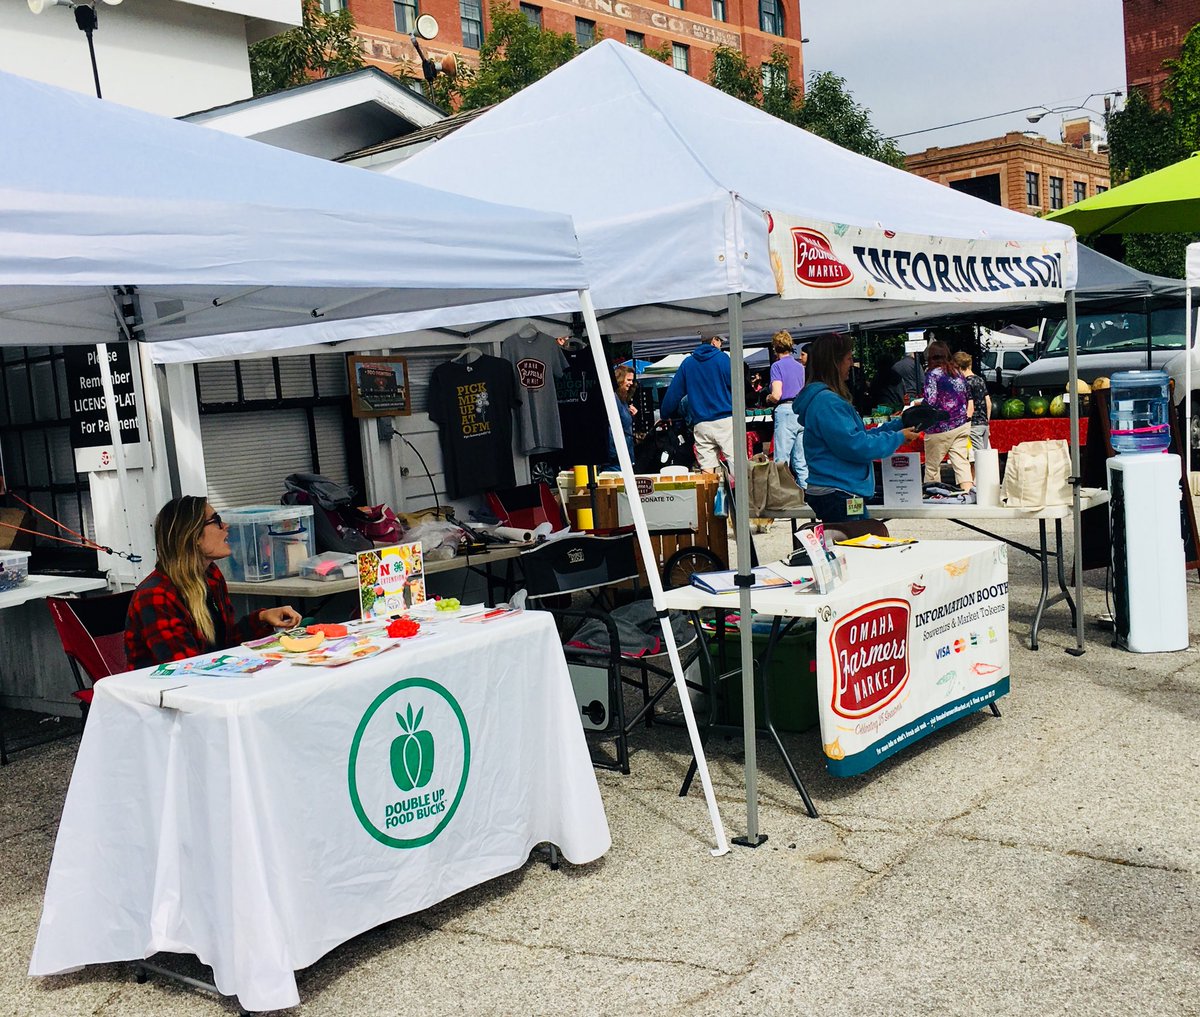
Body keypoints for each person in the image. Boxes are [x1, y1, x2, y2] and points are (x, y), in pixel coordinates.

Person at [125, 496, 301, 670]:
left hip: (210, 681)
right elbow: (185, 667)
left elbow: (225, 643)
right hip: (167, 692)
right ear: (194, 536)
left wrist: (263, 618)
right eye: (216, 520)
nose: (226, 526)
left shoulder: (211, 575)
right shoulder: (156, 595)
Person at [793, 334, 921, 523]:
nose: (851, 364)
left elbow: (856, 438)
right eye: (849, 359)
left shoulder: (825, 401)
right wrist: (898, 437)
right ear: (834, 363)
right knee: (857, 546)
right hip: (838, 492)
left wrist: (899, 424)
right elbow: (856, 446)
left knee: (856, 544)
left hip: (839, 492)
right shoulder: (828, 403)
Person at [659, 335, 737, 472]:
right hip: (726, 421)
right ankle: (740, 493)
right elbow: (738, 387)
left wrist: (665, 414)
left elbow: (674, 393)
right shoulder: (723, 359)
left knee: (707, 470)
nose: (721, 346)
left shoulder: (688, 363)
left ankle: (712, 493)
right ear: (714, 340)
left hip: (701, 424)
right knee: (737, 465)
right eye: (720, 342)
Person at [922, 342, 973, 490]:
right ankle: (968, 494)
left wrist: (918, 407)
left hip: (940, 428)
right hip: (961, 424)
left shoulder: (932, 374)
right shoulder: (957, 372)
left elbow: (930, 401)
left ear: (931, 357)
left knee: (932, 467)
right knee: (961, 463)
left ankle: (934, 497)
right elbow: (967, 395)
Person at [764, 330, 808, 487]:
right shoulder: (800, 367)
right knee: (801, 462)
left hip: (785, 412)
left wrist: (767, 398)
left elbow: (777, 394)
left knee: (781, 461)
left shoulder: (777, 366)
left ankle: (783, 496)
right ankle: (808, 499)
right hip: (801, 412)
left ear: (775, 348)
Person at [954, 350, 991, 459]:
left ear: (959, 367)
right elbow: (988, 402)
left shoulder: (964, 383)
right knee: (984, 453)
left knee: (978, 456)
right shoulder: (980, 380)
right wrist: (987, 421)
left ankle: (980, 476)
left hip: (972, 424)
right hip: (983, 423)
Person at [603, 364, 638, 470]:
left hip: (623, 455)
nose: (631, 383)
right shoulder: (614, 399)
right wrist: (615, 453)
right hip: (616, 458)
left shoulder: (621, 400)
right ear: (620, 379)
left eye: (632, 380)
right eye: (628, 380)